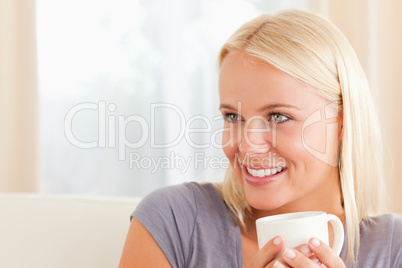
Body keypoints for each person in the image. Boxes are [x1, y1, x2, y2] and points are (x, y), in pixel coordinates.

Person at [119, 9, 402, 268]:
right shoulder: (174, 223)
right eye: (232, 116)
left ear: (341, 124)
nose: (247, 145)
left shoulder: (393, 249)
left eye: (278, 117)